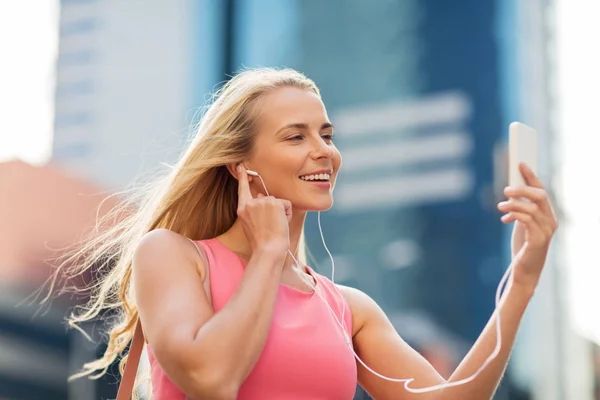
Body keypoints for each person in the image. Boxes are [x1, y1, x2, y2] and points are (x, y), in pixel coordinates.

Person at [59, 68, 558, 399]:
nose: (324, 151)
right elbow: (210, 377)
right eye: (295, 136)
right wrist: (268, 251)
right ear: (239, 163)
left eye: (327, 134)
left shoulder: (348, 307)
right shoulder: (173, 256)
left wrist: (522, 281)